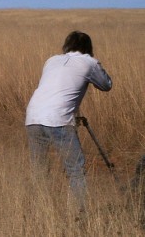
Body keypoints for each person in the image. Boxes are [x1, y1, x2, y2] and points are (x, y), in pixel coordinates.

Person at [25, 31, 112, 212]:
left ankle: (41, 211)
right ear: (88, 47)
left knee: (39, 169)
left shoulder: (51, 60)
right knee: (75, 169)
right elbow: (106, 85)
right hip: (59, 119)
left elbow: (57, 88)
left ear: (67, 45)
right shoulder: (89, 62)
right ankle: (78, 214)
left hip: (33, 116)